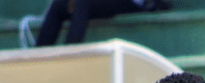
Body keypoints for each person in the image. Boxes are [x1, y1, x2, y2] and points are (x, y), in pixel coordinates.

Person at [35, 0, 170, 47]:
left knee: (82, 3)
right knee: (58, 5)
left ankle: (68, 60)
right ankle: (36, 59)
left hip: (132, 3)